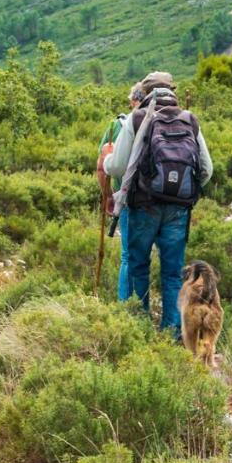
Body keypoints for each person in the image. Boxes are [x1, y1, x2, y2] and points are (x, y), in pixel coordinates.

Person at [104, 71, 213, 335]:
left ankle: (137, 328)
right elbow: (207, 170)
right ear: (172, 92)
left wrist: (106, 160)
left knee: (138, 266)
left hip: (142, 206)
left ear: (146, 92)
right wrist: (183, 190)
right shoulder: (189, 119)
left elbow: (117, 167)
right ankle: (173, 333)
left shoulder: (137, 118)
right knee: (173, 273)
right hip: (178, 209)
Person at [97, 84, 145, 301]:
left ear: (133, 100)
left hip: (126, 197)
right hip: (161, 198)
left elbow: (102, 166)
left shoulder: (116, 125)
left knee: (128, 255)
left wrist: (108, 196)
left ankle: (126, 306)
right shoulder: (169, 119)